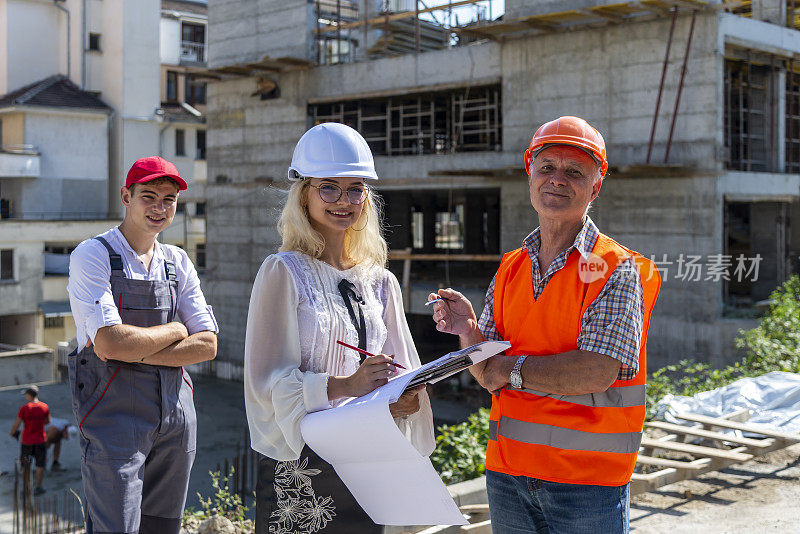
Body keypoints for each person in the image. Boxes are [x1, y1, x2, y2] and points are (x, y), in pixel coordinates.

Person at [429, 116, 661, 534]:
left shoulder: (615, 269)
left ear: (596, 185)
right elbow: (487, 373)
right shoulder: (511, 267)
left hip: (586, 484)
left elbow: (597, 370)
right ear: (530, 174)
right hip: (508, 474)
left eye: (574, 171)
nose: (557, 179)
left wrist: (509, 369)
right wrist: (469, 332)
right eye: (547, 167)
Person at [245, 122, 435, 533]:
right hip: (304, 459)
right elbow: (265, 385)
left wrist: (403, 399)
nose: (343, 201)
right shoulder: (283, 271)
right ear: (304, 194)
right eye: (328, 187)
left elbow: (403, 370)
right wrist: (345, 386)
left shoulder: (379, 280)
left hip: (366, 454)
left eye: (355, 189)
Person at [67, 156, 218, 534]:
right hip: (113, 416)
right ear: (126, 196)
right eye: (148, 196)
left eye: (169, 200)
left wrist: (134, 350)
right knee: (115, 526)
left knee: (162, 526)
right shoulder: (94, 255)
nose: (159, 207)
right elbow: (109, 342)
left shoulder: (177, 262)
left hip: (177, 417)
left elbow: (208, 345)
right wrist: (176, 329)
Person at [9, 385, 50, 495]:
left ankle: (26, 488)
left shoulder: (25, 408)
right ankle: (38, 487)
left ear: (29, 395)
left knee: (25, 465)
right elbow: (47, 421)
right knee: (40, 465)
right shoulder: (44, 407)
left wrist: (12, 432)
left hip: (26, 442)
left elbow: (17, 424)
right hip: (40, 440)